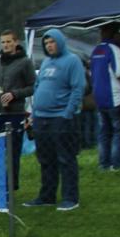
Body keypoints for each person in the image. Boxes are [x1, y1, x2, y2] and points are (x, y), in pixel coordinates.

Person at [22, 28, 87, 211]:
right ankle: (47, 196)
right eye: (46, 43)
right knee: (46, 159)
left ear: (60, 42)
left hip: (61, 118)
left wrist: (68, 113)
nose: (49, 45)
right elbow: (37, 86)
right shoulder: (46, 62)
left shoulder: (72, 61)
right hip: (41, 118)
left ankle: (70, 198)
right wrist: (34, 113)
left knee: (66, 158)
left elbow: (78, 88)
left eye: (52, 42)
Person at [0, 30, 36, 189]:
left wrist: (15, 94)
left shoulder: (25, 62)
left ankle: (11, 186)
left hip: (15, 113)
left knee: (13, 151)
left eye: (9, 41)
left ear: (16, 42)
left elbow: (33, 86)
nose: (6, 45)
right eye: (3, 42)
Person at [89, 24, 120, 170]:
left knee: (104, 132)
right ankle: (116, 163)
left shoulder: (95, 50)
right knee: (119, 132)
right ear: (115, 34)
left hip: (99, 97)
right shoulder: (114, 49)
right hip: (116, 97)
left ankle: (103, 163)